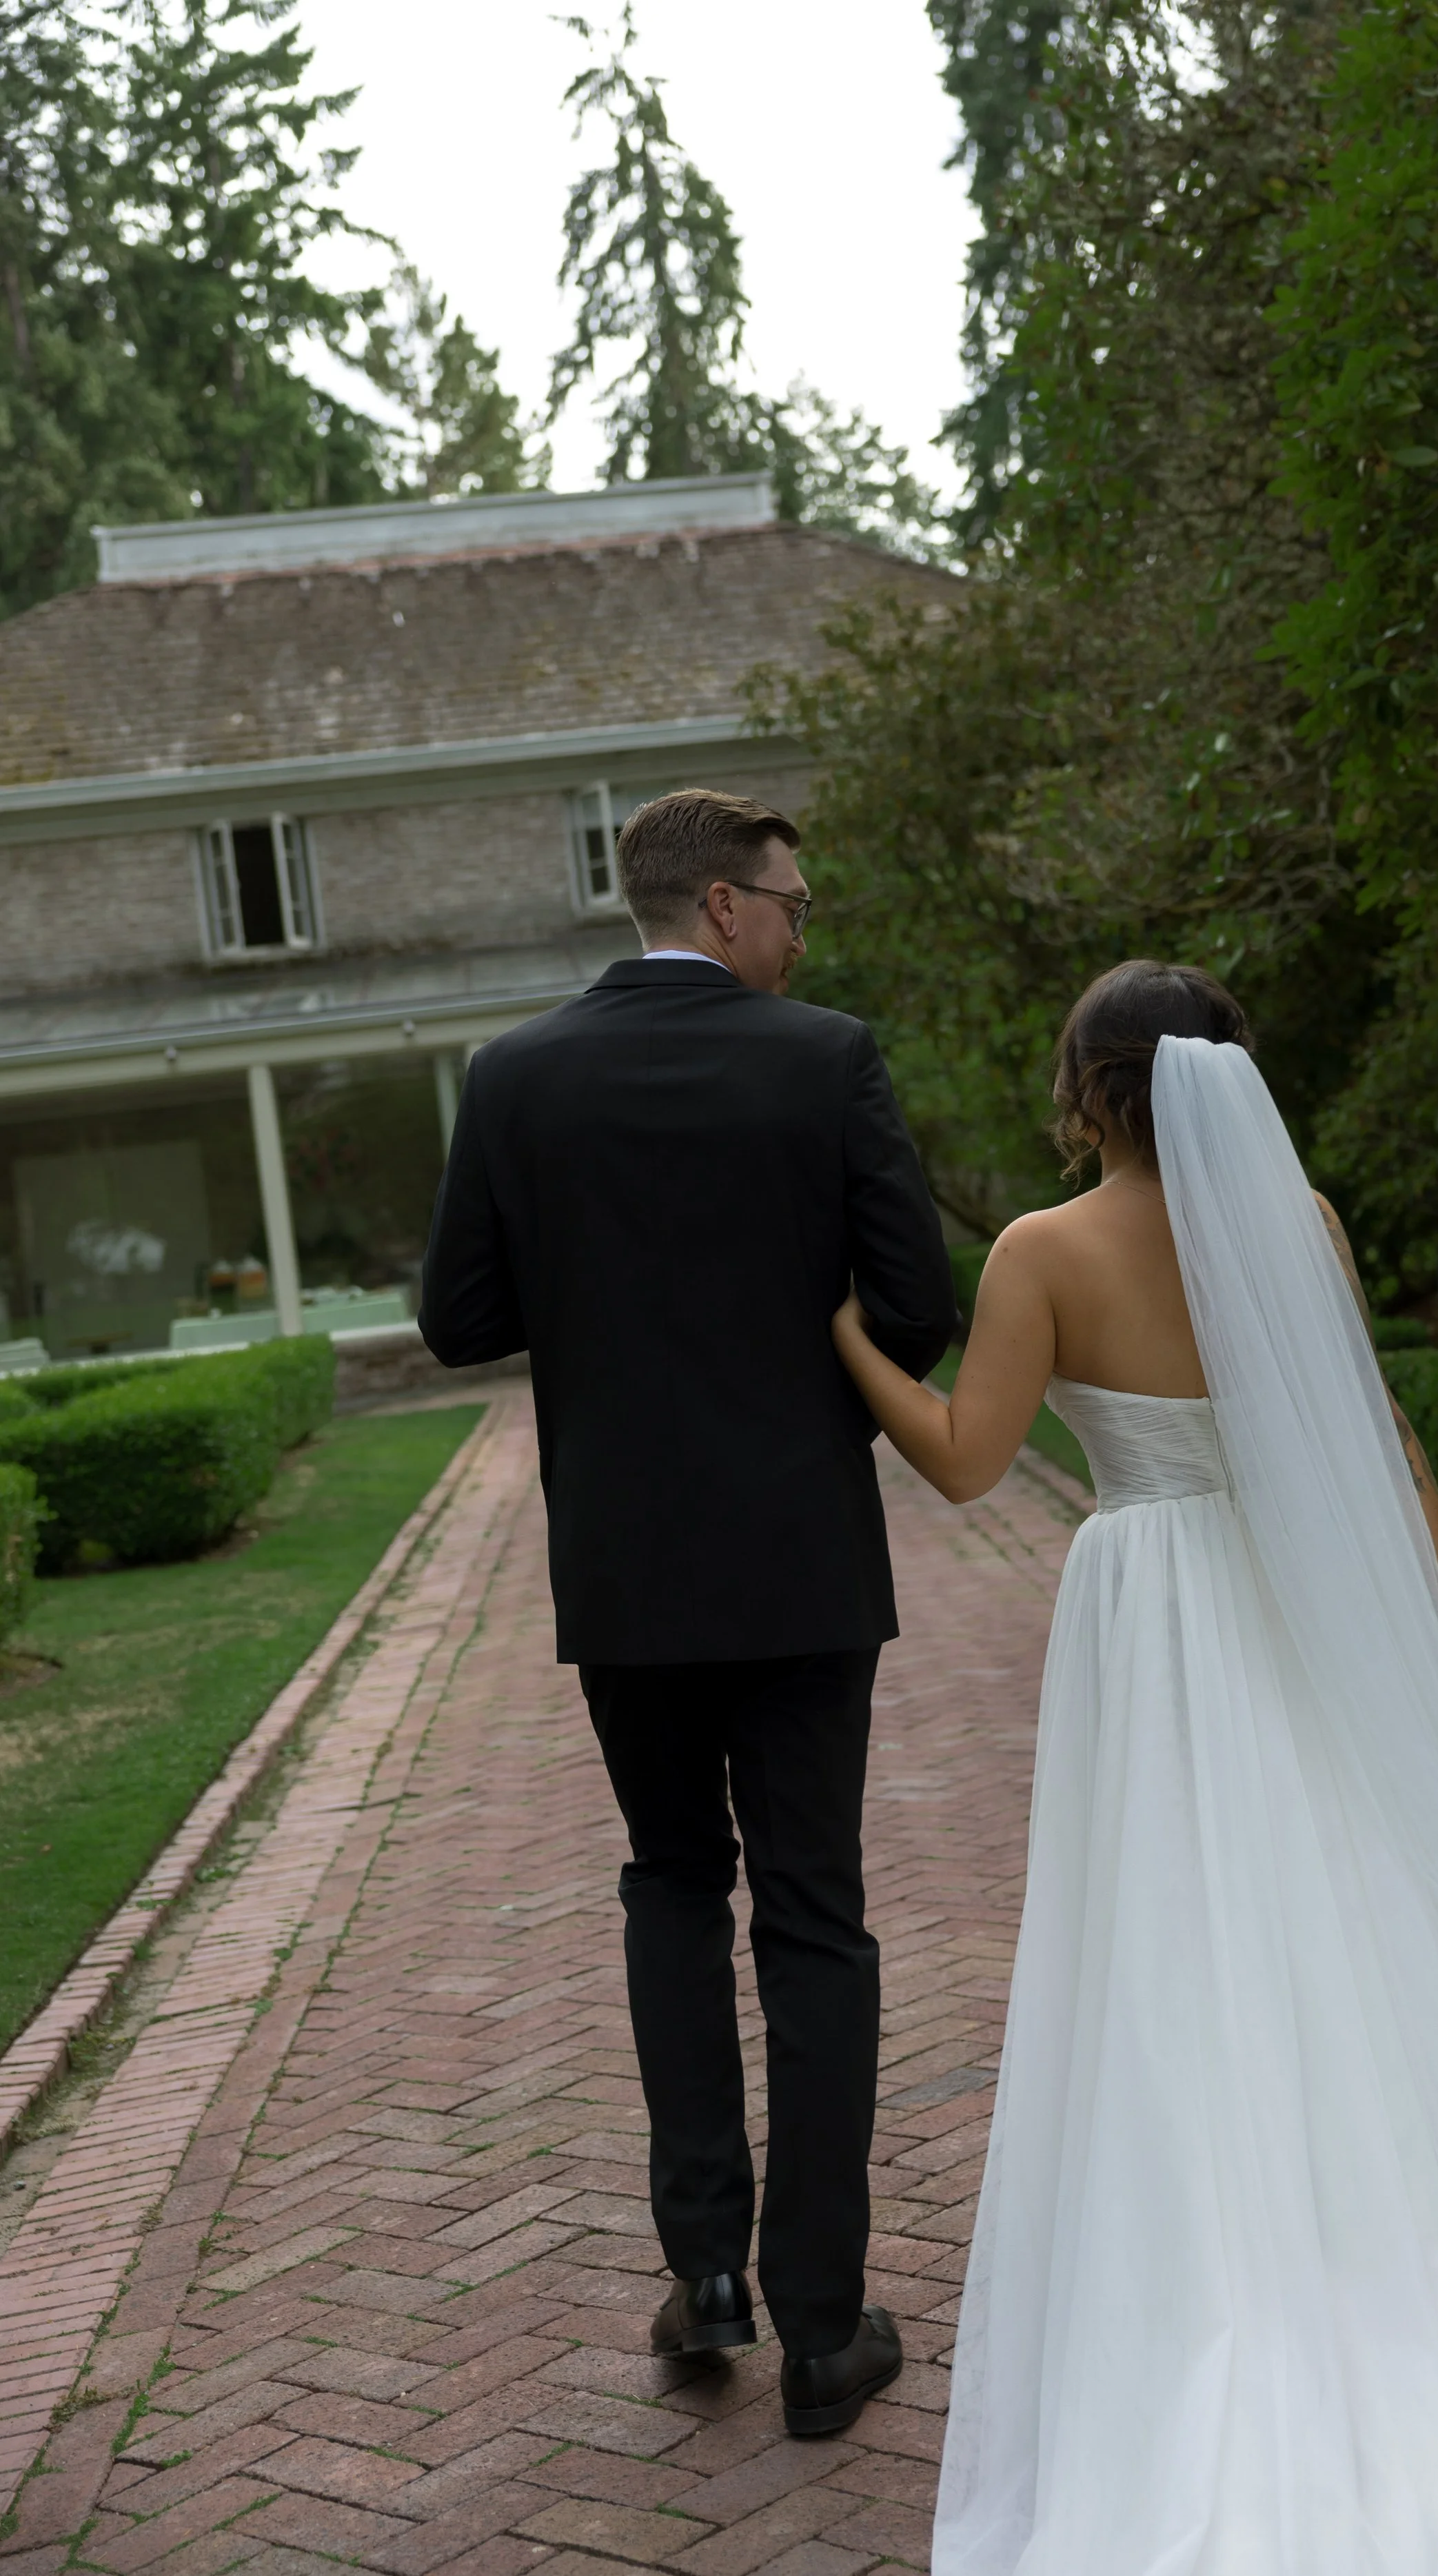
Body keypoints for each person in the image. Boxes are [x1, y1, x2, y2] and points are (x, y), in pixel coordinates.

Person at [832, 957, 1438, 2576]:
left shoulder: (1038, 1250)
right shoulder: (1294, 1219)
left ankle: (1234, 2272)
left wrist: (839, 1335)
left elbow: (965, 1461)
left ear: (1088, 1089)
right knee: (1355, 1908)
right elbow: (1372, 1430)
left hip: (1155, 1618)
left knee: (1177, 1941)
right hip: (1313, 1603)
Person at [420, 787, 956, 2437]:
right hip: (801, 1572)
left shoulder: (511, 1079)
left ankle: (704, 2274)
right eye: (790, 900)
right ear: (720, 905)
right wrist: (805, 1443)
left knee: (669, 1885)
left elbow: (458, 1321)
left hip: (628, 1577)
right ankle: (819, 2323)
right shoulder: (823, 1060)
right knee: (815, 1917)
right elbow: (920, 1307)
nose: (805, 929)